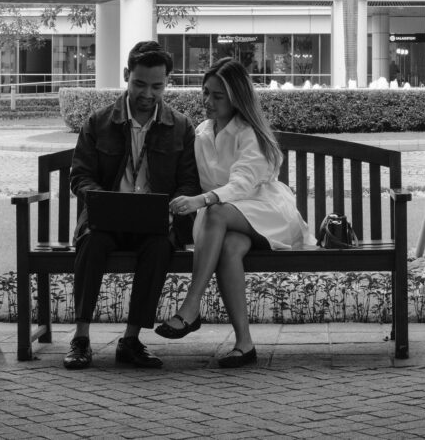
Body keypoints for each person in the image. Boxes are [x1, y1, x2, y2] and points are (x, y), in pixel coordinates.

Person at [155, 57, 314, 368]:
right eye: (205, 93)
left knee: (215, 212)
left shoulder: (249, 133)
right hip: (226, 225)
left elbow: (242, 184)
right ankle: (245, 344)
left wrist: (202, 200)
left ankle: (190, 307)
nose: (208, 102)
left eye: (218, 96)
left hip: (266, 213)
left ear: (236, 97)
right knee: (229, 248)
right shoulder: (201, 133)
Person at [65, 41, 200, 370]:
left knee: (158, 247)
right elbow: (80, 176)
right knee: (93, 242)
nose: (148, 94)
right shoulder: (98, 123)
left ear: (167, 82)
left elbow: (188, 182)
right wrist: (99, 200)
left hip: (154, 224)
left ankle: (130, 340)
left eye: (157, 86)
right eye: (140, 84)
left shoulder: (180, 127)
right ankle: (80, 338)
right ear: (127, 76)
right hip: (104, 221)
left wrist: (173, 208)